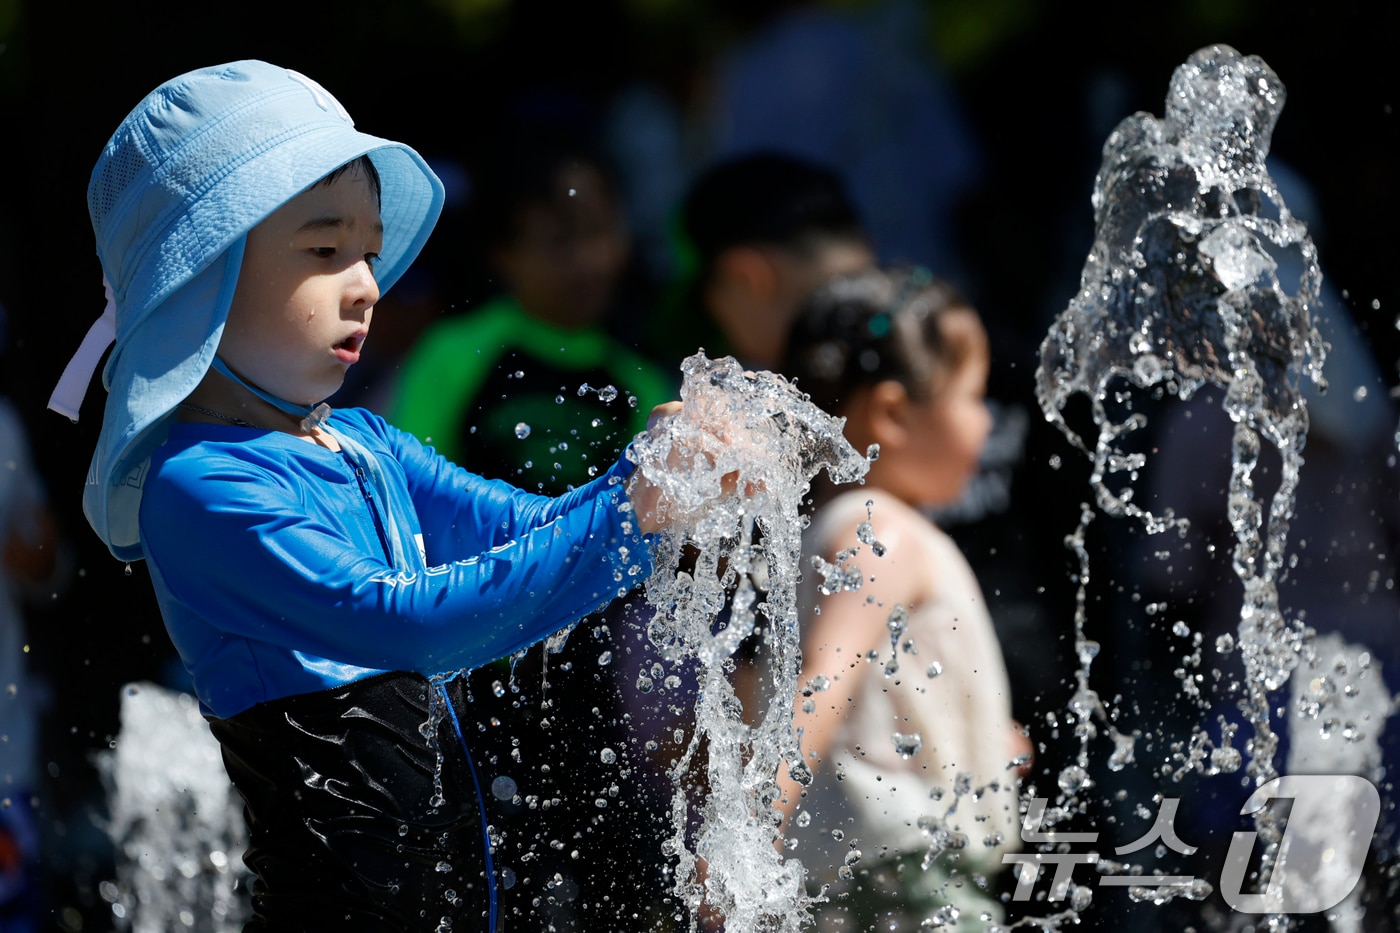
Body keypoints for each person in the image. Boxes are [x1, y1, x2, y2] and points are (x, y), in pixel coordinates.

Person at [46, 61, 706, 932]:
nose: (366, 282)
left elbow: (528, 527)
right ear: (199, 277)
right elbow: (405, 619)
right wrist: (630, 502)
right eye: (324, 251)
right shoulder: (199, 483)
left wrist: (670, 480)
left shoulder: (364, 441)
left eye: (366, 248)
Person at [776, 266, 1028, 931]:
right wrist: (749, 827)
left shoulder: (850, 526)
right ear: (892, 411)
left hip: (881, 866)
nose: (986, 419)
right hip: (907, 873)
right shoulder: (879, 529)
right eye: (973, 395)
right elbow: (820, 686)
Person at [392, 136, 673, 493]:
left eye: (598, 231)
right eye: (559, 239)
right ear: (502, 253)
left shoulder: (640, 379)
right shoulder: (454, 352)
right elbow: (409, 486)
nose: (587, 260)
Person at [649, 151, 874, 373]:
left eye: (716, 320)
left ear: (746, 277)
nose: (730, 346)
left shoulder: (854, 384)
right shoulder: (897, 342)